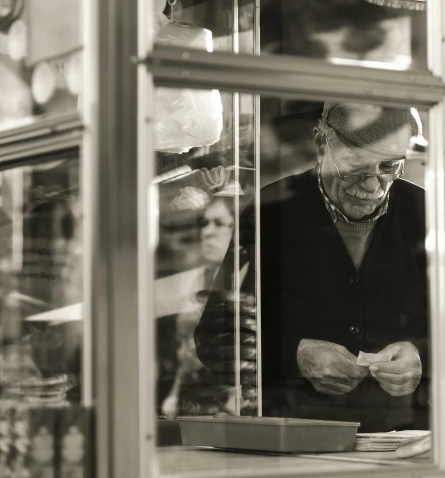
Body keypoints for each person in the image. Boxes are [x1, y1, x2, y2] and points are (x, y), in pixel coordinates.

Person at [195, 102, 429, 432]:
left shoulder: (427, 214)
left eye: (389, 167)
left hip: (408, 439)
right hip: (297, 436)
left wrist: (422, 355)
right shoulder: (270, 213)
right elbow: (215, 337)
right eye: (356, 166)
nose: (373, 187)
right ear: (321, 146)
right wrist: (296, 355)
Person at [157, 196, 239, 419]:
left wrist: (240, 399)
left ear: (237, 229)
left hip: (229, 404)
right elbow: (185, 349)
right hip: (191, 399)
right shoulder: (195, 281)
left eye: (219, 223)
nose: (207, 232)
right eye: (204, 223)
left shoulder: (249, 280)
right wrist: (174, 395)